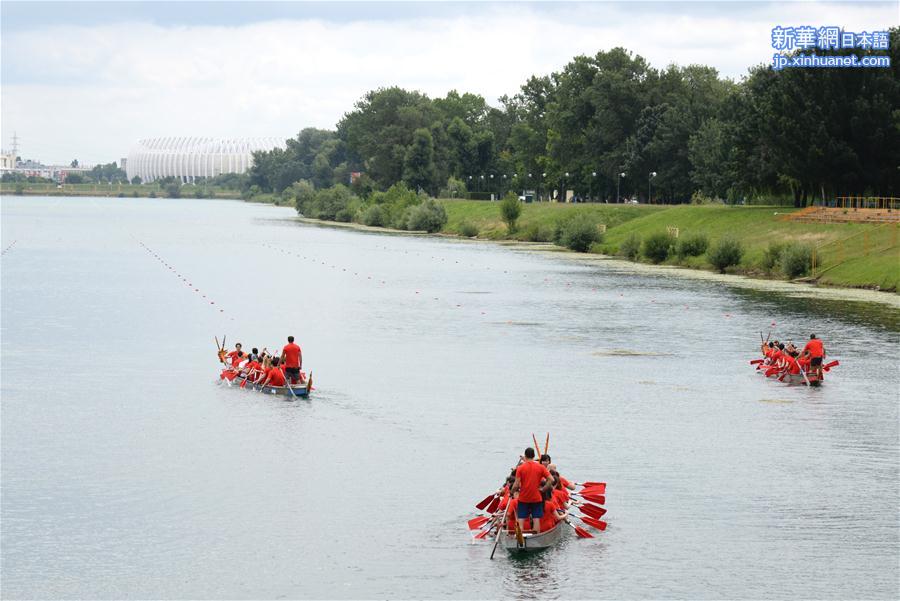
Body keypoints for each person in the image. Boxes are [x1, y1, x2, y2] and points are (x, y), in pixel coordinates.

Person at [512, 447, 552, 533]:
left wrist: (511, 492)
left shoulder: (521, 468)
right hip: (536, 497)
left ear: (525, 456)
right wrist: (543, 489)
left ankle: (520, 535)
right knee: (536, 518)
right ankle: (536, 534)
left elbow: (516, 484)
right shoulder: (541, 467)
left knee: (521, 518)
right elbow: (551, 480)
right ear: (534, 456)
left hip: (523, 497)